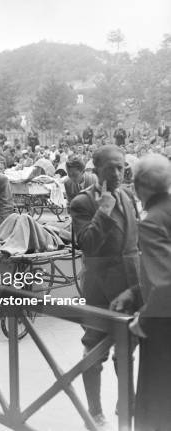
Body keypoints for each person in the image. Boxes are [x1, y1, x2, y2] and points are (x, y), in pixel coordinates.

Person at [70, 145, 140, 427]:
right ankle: (94, 412)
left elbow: (135, 244)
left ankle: (125, 409)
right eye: (110, 167)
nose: (116, 172)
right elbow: (87, 244)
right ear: (96, 170)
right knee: (94, 351)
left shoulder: (128, 195)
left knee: (126, 352)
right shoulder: (82, 202)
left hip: (130, 289)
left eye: (120, 167)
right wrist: (105, 210)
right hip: (99, 290)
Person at [109, 154, 171, 430]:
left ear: (138, 186)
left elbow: (165, 283)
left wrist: (141, 323)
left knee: (155, 408)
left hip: (163, 330)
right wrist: (135, 292)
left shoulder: (152, 221)